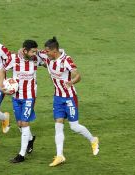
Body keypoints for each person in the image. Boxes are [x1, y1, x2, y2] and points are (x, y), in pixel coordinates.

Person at [37, 37, 99, 167]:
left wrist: (71, 82)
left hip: (70, 97)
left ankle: (93, 140)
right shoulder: (47, 55)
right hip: (57, 98)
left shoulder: (66, 60)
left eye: (47, 51)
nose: (45, 53)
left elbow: (78, 75)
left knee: (74, 126)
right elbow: (34, 51)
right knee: (58, 125)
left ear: (54, 51)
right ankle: (60, 156)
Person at [0, 40, 41, 163]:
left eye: (35, 51)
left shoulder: (36, 58)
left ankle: (21, 155)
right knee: (19, 124)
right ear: (24, 50)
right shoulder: (14, 58)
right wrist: (1, 86)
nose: (34, 53)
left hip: (30, 96)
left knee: (24, 123)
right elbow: (2, 70)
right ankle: (31, 139)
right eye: (32, 51)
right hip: (16, 97)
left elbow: (57, 52)